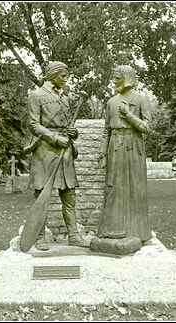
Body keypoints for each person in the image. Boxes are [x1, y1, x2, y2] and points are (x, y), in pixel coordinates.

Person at [26, 61, 90, 251]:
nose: (66, 79)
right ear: (53, 74)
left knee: (69, 194)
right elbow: (34, 125)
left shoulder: (65, 97)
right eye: (63, 75)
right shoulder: (36, 96)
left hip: (66, 151)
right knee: (41, 195)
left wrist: (73, 133)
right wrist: (54, 138)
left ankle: (73, 235)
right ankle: (39, 237)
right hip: (45, 150)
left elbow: (67, 125)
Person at [97, 65, 153, 243]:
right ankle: (112, 228)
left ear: (128, 78)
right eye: (114, 78)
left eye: (118, 78)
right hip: (115, 146)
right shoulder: (111, 102)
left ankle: (137, 231)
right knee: (114, 187)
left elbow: (146, 127)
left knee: (135, 188)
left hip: (133, 145)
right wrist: (102, 153)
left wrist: (129, 115)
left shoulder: (141, 99)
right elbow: (106, 130)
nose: (114, 81)